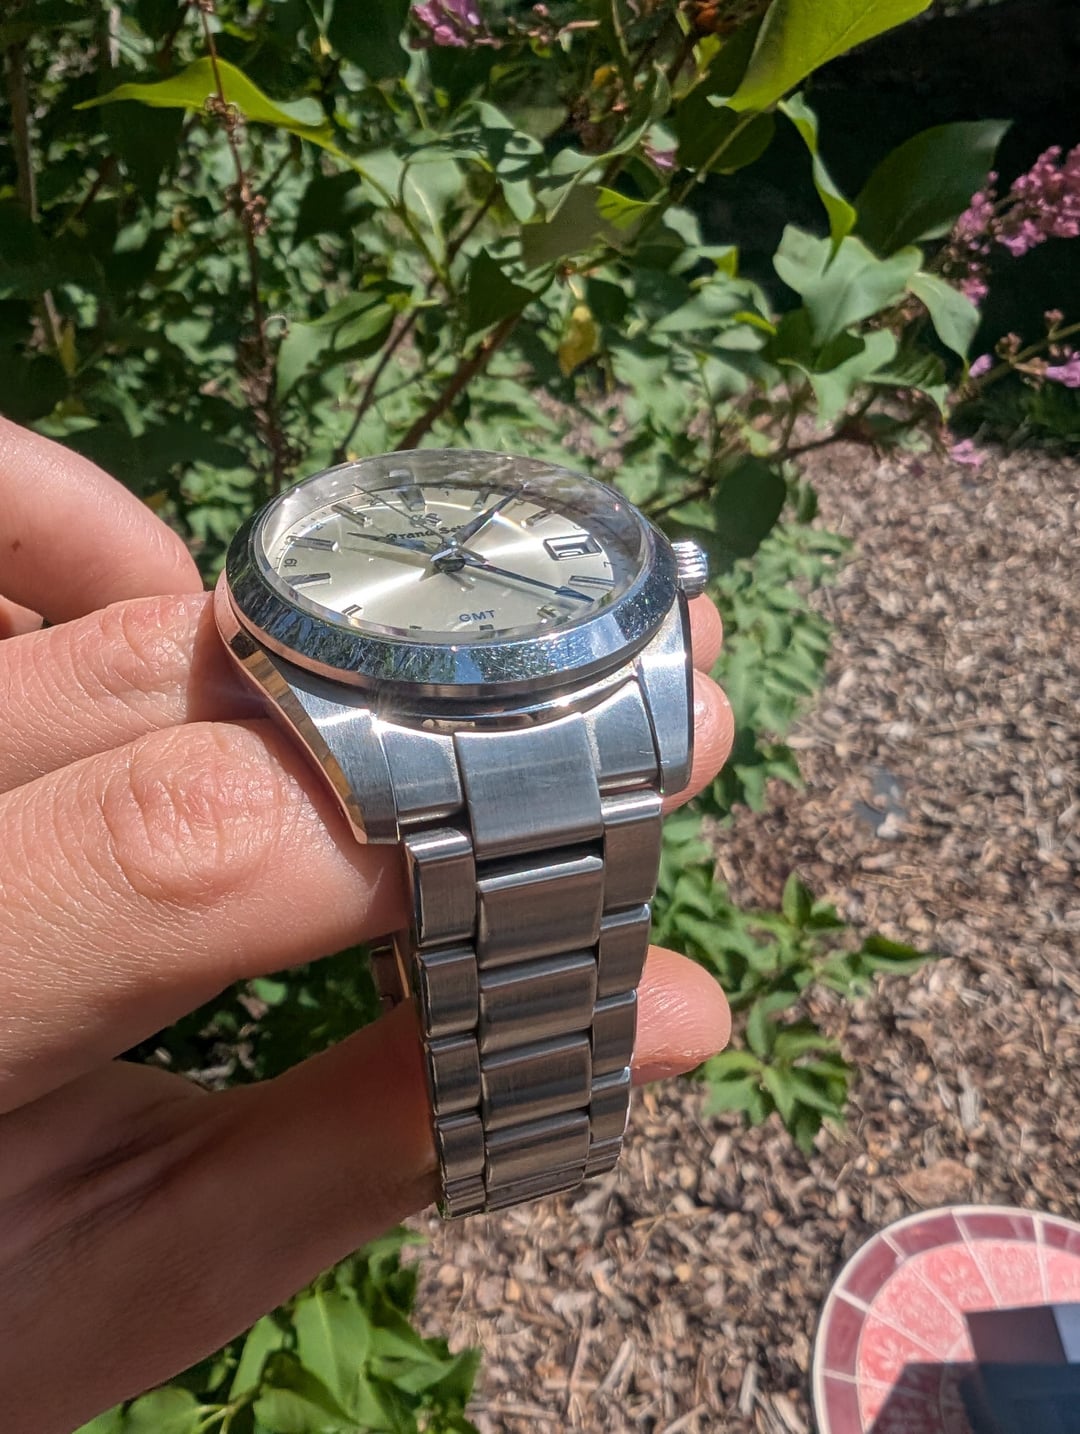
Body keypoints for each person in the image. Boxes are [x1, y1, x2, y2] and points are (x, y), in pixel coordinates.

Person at [0, 416, 733, 1433]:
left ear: (666, 574)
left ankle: (504, 1074)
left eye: (468, 541)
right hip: (365, 706)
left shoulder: (627, 593)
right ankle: (485, 1071)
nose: (450, 556)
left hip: (589, 683)